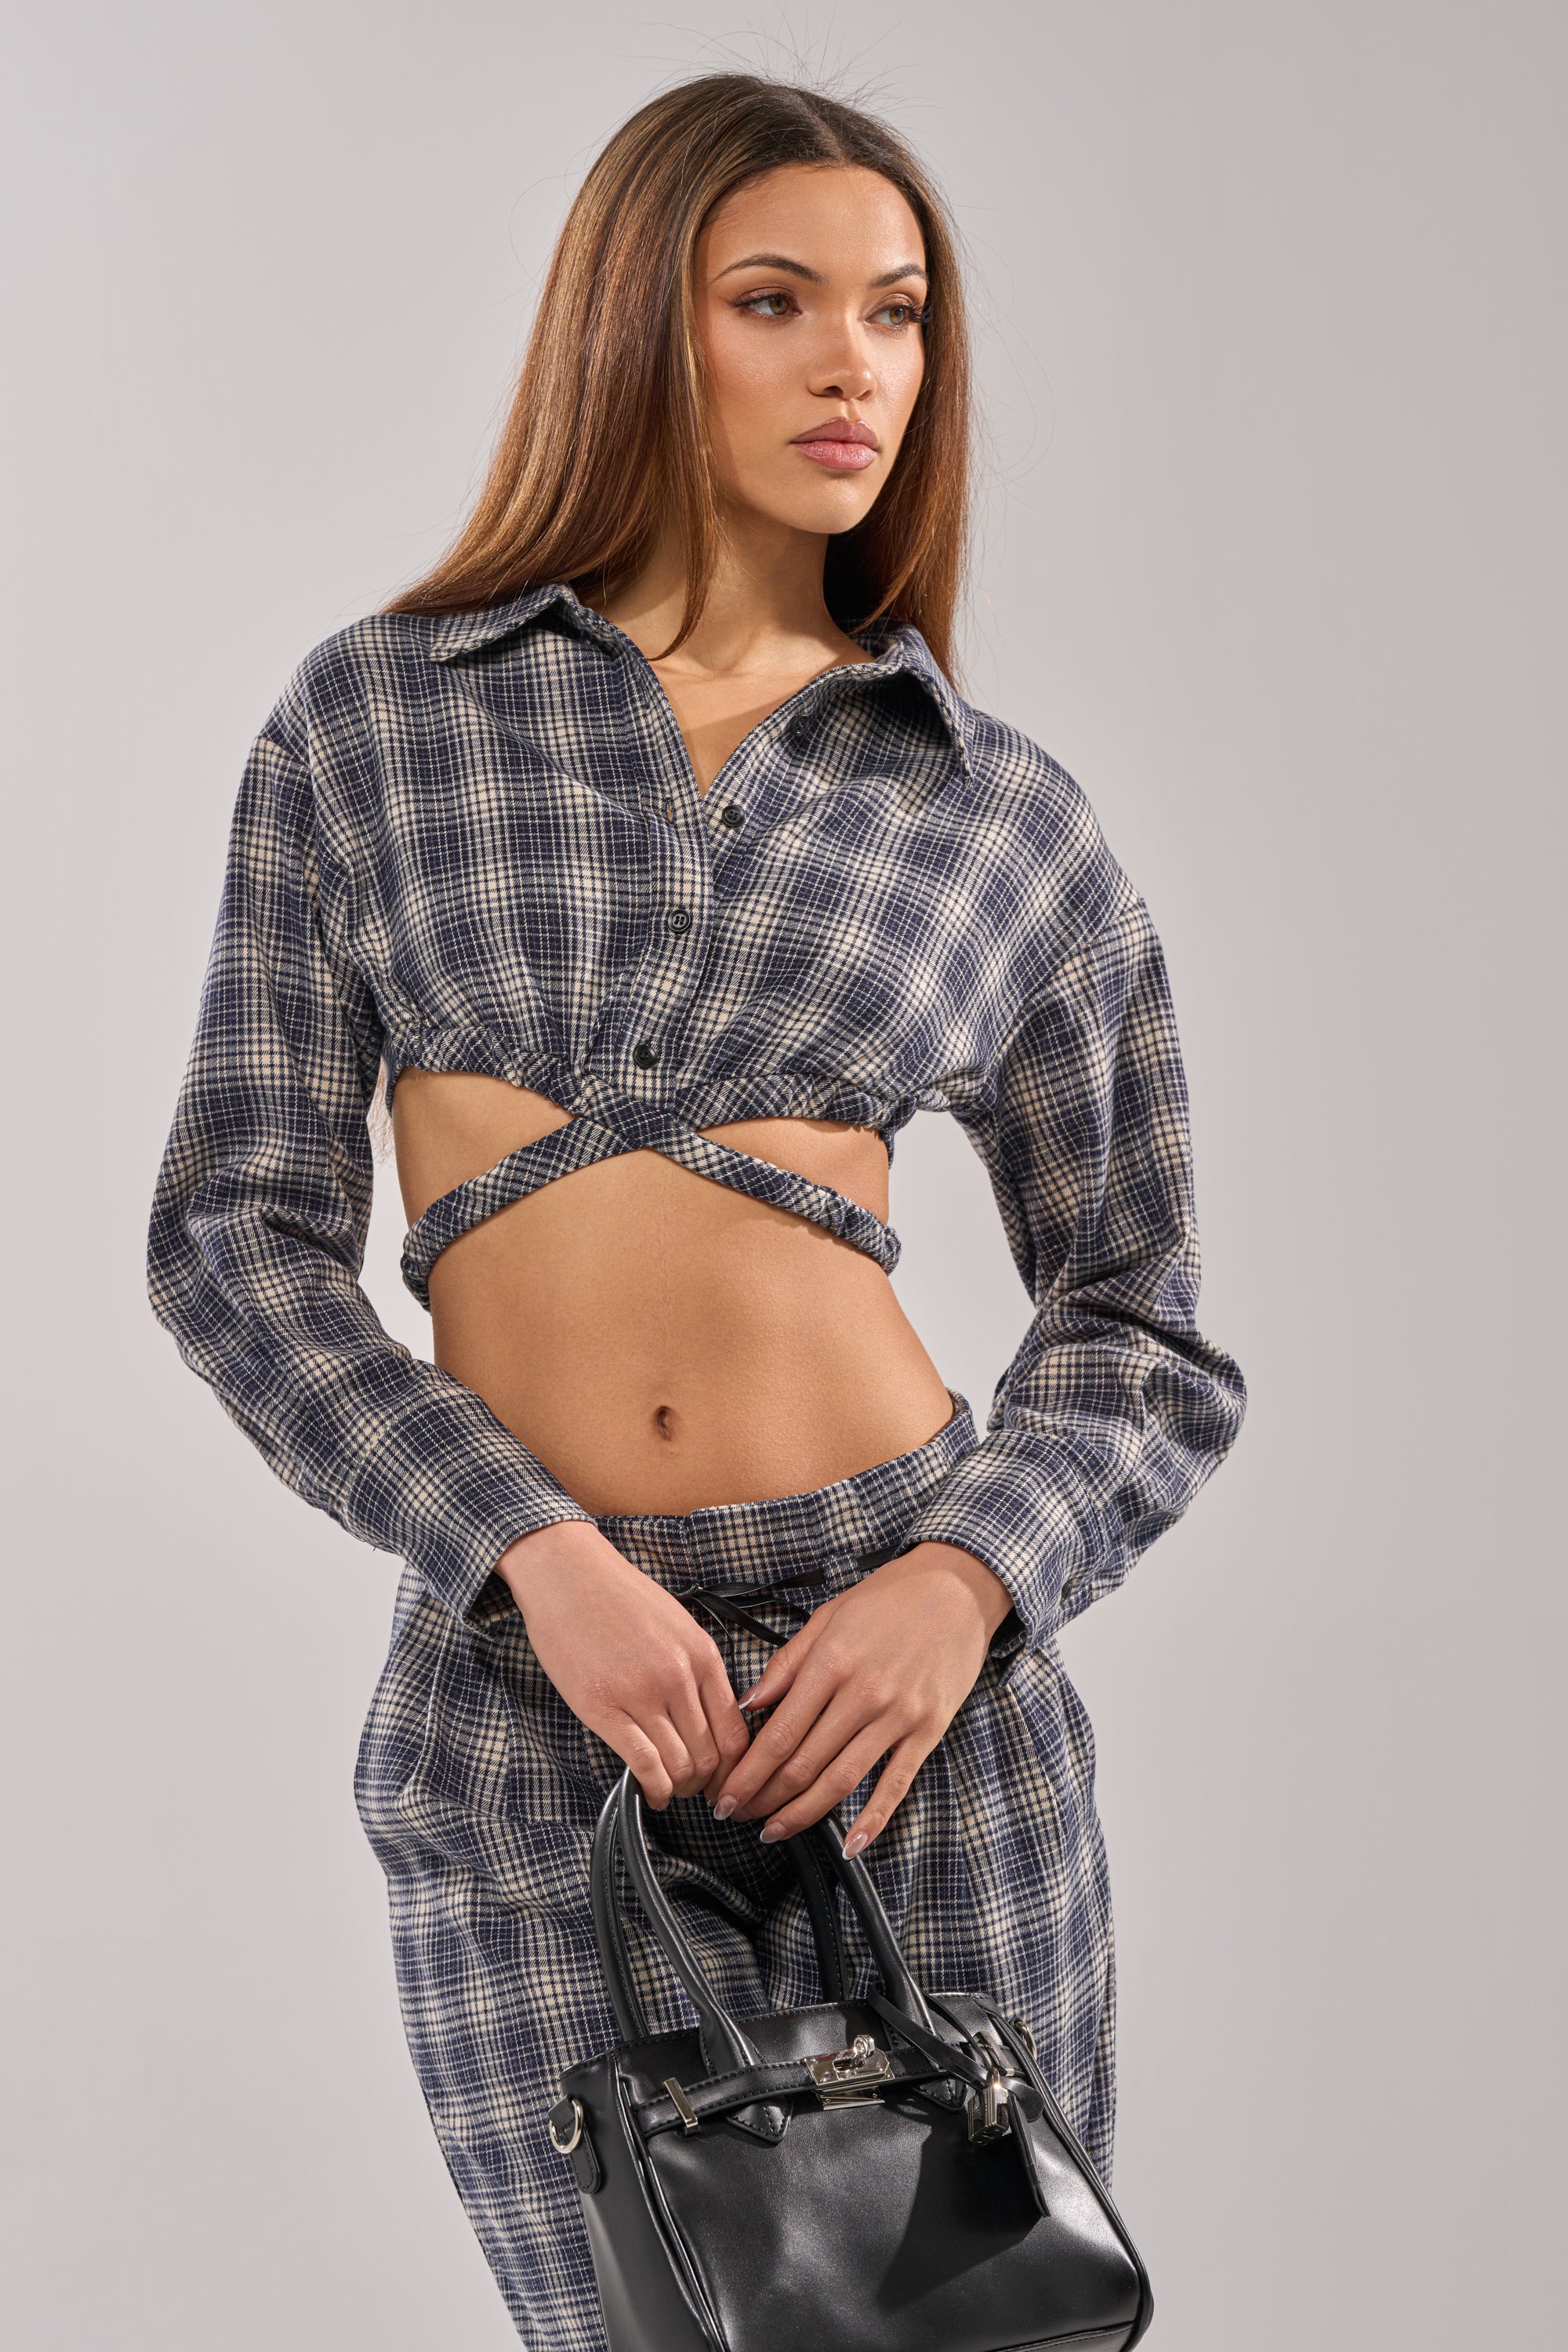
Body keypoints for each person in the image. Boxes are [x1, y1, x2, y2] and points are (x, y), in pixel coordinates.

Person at [147, 71, 1245, 2350]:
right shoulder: (375, 726)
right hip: (534, 1700)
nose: (857, 366)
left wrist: (962, 1587)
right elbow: (234, 1240)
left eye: (900, 314)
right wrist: (528, 1552)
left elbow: (1142, 1319)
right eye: (778, 302)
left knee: (986, 2329)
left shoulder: (996, 810)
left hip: (910, 1704)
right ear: (638, 325)